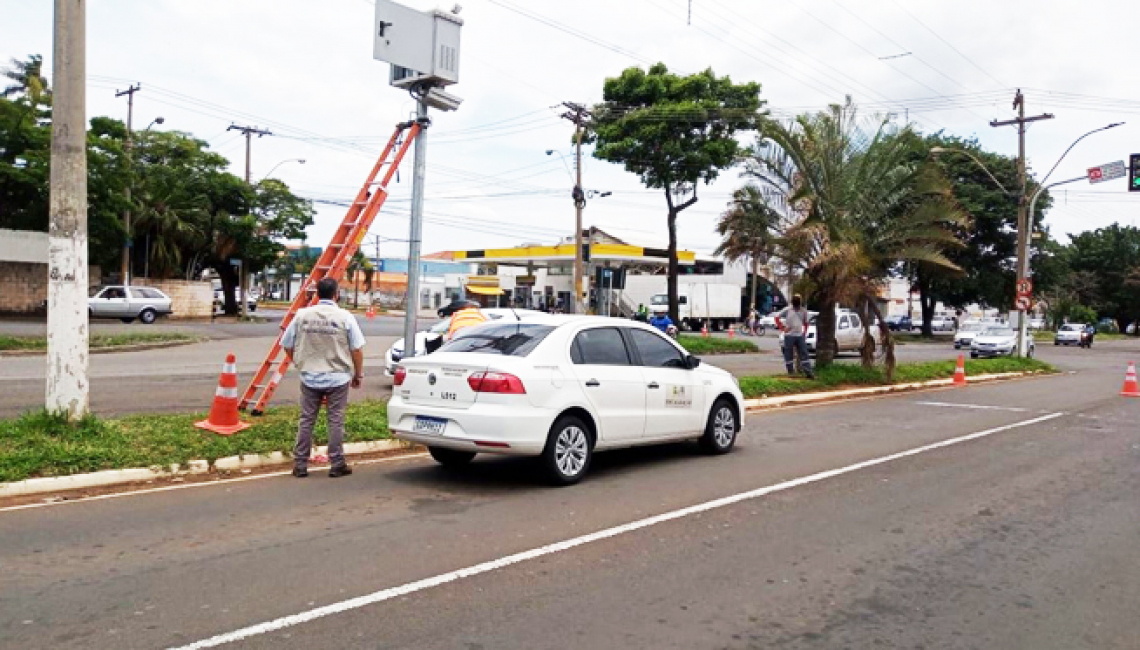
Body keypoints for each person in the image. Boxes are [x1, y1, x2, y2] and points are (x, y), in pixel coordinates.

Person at [281, 278, 366, 478]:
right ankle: (337, 463)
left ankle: (300, 464)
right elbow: (356, 349)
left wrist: (299, 361)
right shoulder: (345, 317)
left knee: (307, 419)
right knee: (335, 420)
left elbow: (286, 343)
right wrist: (358, 373)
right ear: (336, 294)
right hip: (338, 377)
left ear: (317, 294)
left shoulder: (302, 315)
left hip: (310, 376)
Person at [775, 294, 814, 379]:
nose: (797, 301)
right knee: (788, 355)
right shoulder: (788, 310)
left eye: (798, 299)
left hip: (799, 335)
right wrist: (782, 328)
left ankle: (808, 372)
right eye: (795, 299)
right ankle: (791, 372)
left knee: (804, 354)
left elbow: (806, 323)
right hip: (789, 335)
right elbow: (776, 317)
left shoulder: (803, 311)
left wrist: (804, 333)